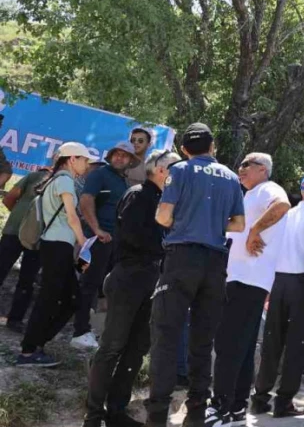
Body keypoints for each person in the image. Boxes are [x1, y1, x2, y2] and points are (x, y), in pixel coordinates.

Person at [145, 123, 245, 427]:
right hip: (216, 264)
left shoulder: (180, 170)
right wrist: (212, 224)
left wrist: (186, 220)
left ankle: (157, 417)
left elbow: (163, 215)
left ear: (184, 149)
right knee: (202, 341)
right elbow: (239, 225)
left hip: (181, 260)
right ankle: (197, 414)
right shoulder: (230, 176)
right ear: (213, 146)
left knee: (165, 335)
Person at [84, 149, 180, 427]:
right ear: (160, 170)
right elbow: (133, 237)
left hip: (152, 279)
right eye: (175, 168)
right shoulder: (139, 194)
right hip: (130, 276)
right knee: (112, 347)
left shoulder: (164, 200)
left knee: (137, 348)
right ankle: (93, 415)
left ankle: (116, 411)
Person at [206, 152, 291, 426]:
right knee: (239, 346)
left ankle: (219, 406)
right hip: (241, 279)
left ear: (263, 169)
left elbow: (282, 205)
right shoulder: (249, 195)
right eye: (240, 165)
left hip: (248, 279)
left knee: (229, 343)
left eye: (246, 165)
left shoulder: (268, 188)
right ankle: (237, 406)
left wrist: (254, 230)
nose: (240, 169)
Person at [251, 174, 304, 418]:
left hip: (279, 283)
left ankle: (260, 398)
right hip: (302, 284)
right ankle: (284, 402)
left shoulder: (288, 214)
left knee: (273, 342)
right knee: (297, 345)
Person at [15, 142, 92, 367]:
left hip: (58, 246)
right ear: (71, 159)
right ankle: (28, 352)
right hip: (57, 246)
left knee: (70, 298)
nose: (86, 164)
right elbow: (71, 217)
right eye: (84, 159)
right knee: (50, 299)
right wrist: (83, 242)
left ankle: (36, 345)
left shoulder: (57, 179)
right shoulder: (65, 180)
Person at [73, 141, 141, 349]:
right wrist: (96, 229)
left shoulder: (122, 181)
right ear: (110, 156)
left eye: (124, 155)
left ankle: (88, 327)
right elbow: (85, 200)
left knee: (102, 287)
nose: (120, 158)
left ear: (130, 160)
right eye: (116, 154)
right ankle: (79, 332)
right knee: (88, 284)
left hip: (112, 243)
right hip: (96, 240)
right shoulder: (100, 174)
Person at [0, 165, 52, 332]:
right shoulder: (33, 176)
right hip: (14, 232)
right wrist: (23, 218)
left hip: (38, 240)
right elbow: (9, 198)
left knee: (27, 280)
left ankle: (15, 320)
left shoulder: (67, 184)